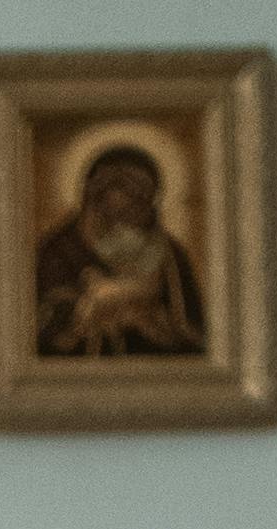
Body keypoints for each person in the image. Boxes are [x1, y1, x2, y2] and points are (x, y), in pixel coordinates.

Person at [33, 140, 208, 368]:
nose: (122, 210)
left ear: (149, 202)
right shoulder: (59, 249)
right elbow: (37, 329)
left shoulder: (170, 255)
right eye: (111, 199)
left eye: (135, 201)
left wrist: (154, 323)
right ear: (92, 199)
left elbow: (194, 335)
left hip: (155, 377)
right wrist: (87, 309)